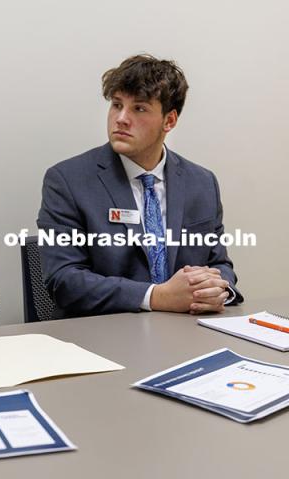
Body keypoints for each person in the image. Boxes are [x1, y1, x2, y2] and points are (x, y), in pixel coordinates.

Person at [37, 54, 243, 319]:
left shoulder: (202, 183)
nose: (121, 118)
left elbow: (219, 264)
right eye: (116, 105)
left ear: (169, 121)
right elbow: (64, 281)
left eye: (139, 108)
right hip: (104, 334)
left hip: (187, 332)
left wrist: (218, 290)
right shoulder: (68, 180)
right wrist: (156, 297)